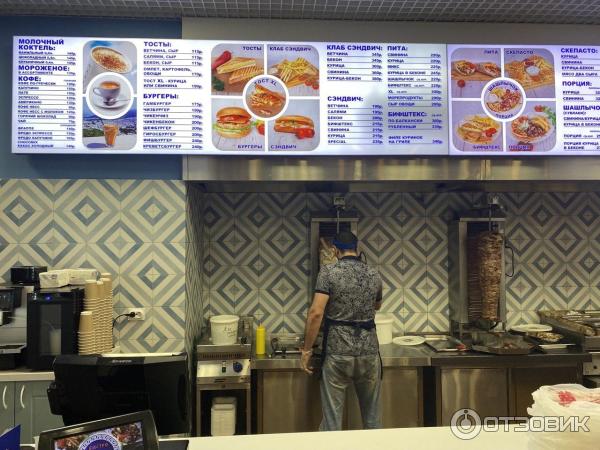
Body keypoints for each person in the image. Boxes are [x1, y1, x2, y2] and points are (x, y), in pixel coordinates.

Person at [301, 231, 384, 431]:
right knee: (372, 420)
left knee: (332, 424)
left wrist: (306, 350)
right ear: (357, 249)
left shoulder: (328, 272)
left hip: (337, 353)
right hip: (369, 352)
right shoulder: (374, 274)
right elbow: (377, 305)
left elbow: (316, 313)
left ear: (334, 250)